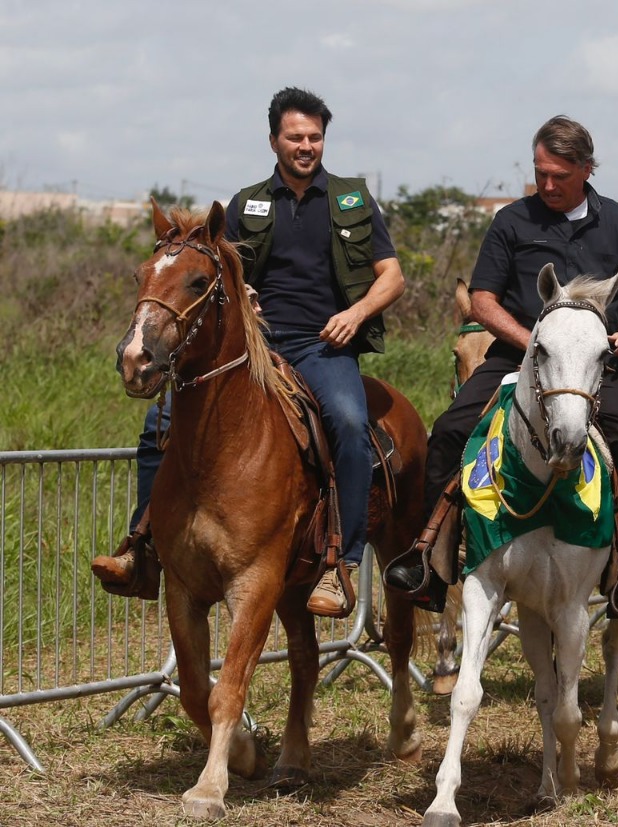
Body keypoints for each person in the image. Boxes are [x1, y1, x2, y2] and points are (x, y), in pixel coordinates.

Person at [91, 87, 405, 618]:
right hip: (255, 349)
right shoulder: (245, 203)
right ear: (274, 141)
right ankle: (142, 546)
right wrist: (247, 296)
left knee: (351, 425)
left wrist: (355, 315)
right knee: (155, 423)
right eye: (295, 137)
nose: (306, 146)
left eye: (315, 136)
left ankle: (341, 562)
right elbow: (217, 272)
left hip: (322, 347)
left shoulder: (352, 199)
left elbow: (392, 277)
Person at [386, 115, 618, 617]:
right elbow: (482, 301)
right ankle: (430, 562)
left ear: (586, 169)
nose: (546, 184)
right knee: (451, 430)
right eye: (540, 172)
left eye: (558, 176)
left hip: (591, 367)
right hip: (516, 354)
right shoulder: (512, 220)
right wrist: (533, 344)